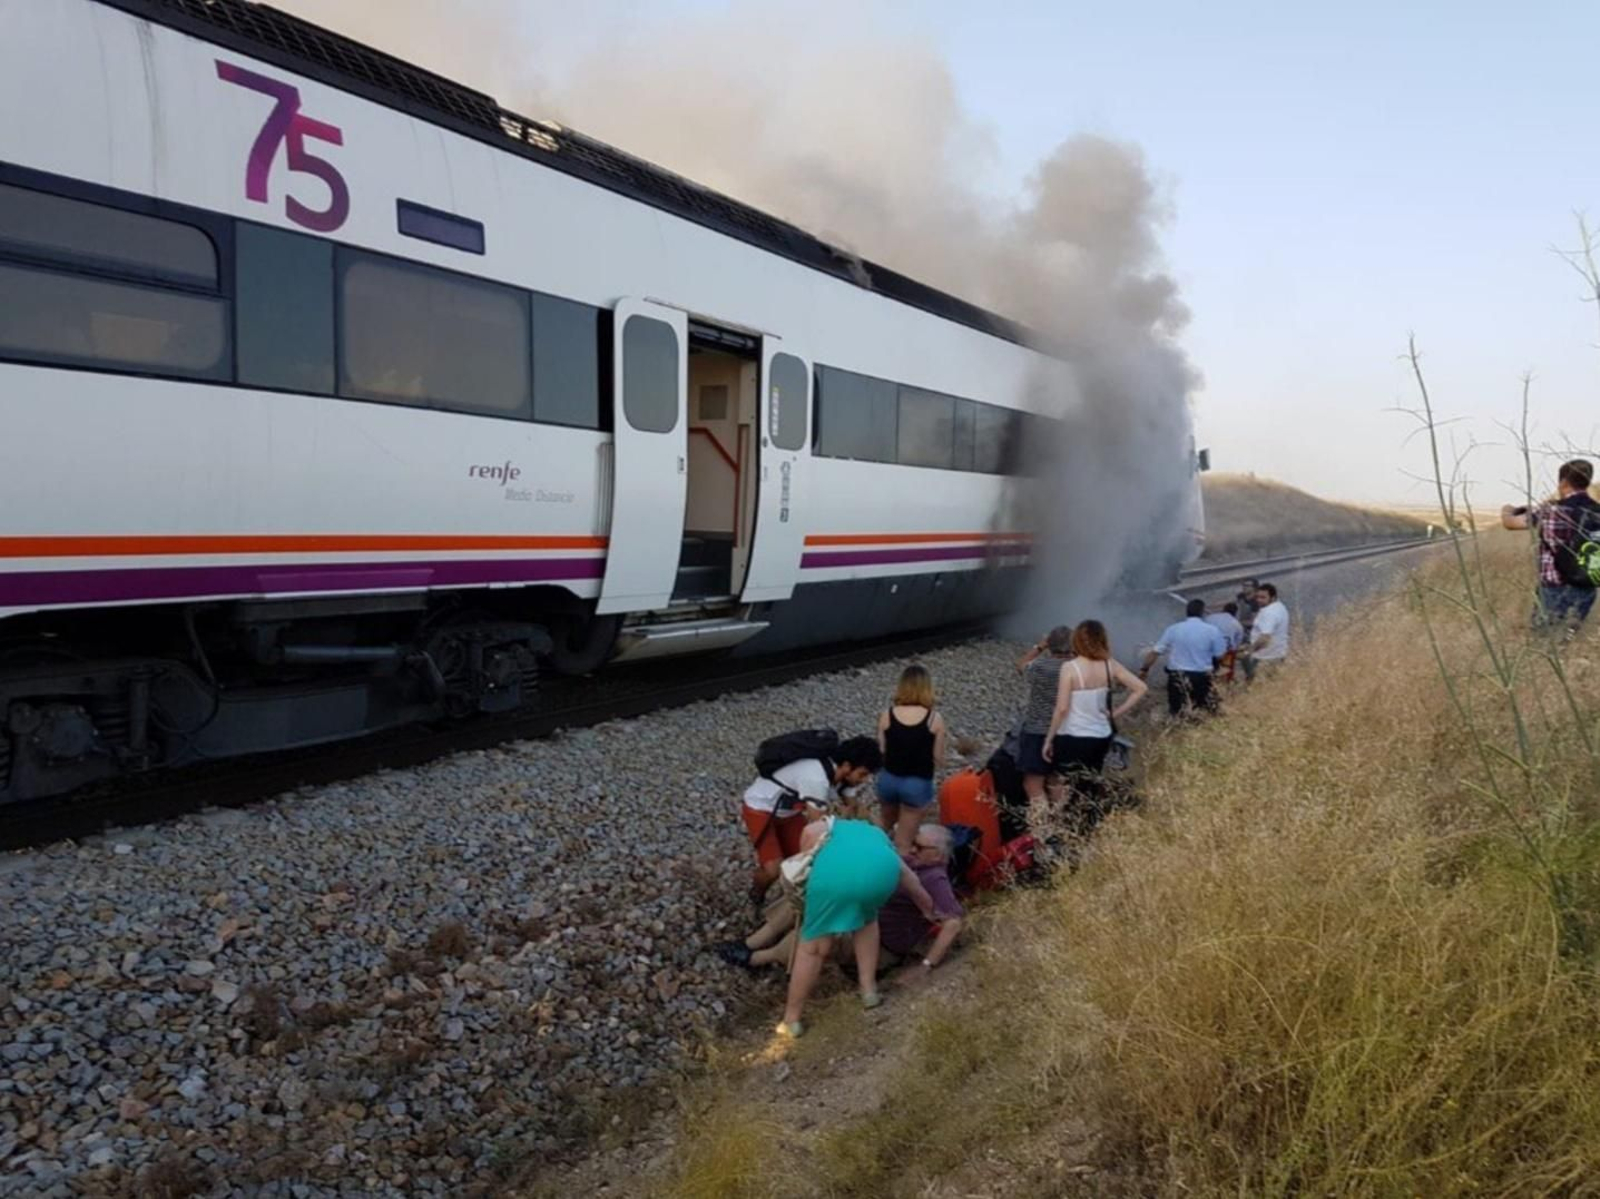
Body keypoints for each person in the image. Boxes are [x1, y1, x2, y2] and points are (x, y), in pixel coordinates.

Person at [777, 811, 937, 1038]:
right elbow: (908, 877)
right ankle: (869, 990)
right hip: (880, 877)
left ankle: (791, 1020)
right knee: (867, 920)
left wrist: (806, 856)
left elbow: (809, 835)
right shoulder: (876, 836)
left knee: (813, 949)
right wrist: (928, 908)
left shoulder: (829, 826)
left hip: (833, 880)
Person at [741, 735, 882, 906]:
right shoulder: (816, 779)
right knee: (773, 869)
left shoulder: (844, 777)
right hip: (760, 808)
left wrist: (876, 834)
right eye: (863, 774)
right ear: (846, 766)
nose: (865, 780)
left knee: (804, 860)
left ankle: (795, 898)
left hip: (788, 813)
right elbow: (819, 827)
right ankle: (756, 896)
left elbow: (856, 808)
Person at [1044, 621, 1148, 827]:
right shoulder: (1110, 664)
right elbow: (1141, 688)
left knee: (1062, 781)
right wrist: (1114, 713)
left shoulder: (1070, 668)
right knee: (1090, 779)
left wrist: (1049, 739)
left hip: (1072, 735)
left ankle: (1067, 824)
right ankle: (1090, 822)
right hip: (1101, 734)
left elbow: (1062, 708)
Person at [1500, 458, 1600, 633]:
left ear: (1563, 482)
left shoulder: (1553, 512)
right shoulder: (1596, 511)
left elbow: (1511, 523)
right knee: (1569, 640)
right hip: (1587, 587)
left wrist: (1507, 510)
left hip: (1555, 589)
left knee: (1545, 643)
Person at [876, 665, 949, 853]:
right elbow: (938, 758)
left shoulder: (887, 715)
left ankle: (871, 860)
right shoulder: (935, 719)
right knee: (903, 842)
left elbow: (882, 749)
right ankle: (897, 877)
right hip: (916, 784)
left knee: (883, 828)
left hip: (888, 780)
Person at [877, 825, 966, 974]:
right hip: (868, 931)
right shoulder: (915, 864)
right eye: (913, 844)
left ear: (938, 855)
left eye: (919, 847)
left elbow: (953, 923)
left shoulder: (935, 879)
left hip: (881, 947)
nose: (913, 850)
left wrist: (926, 965)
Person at [1015, 626, 1074, 811]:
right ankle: (1062, 825)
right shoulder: (1077, 669)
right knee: (1057, 780)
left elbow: (1021, 664)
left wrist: (1039, 647)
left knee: (1033, 785)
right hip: (1066, 731)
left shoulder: (1040, 666)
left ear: (1050, 645)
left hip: (1037, 731)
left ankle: (1043, 832)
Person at [1141, 599, 1227, 716]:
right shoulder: (1213, 630)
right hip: (1201, 677)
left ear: (1186, 612)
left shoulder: (1173, 629)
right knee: (1202, 709)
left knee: (1177, 711)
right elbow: (1220, 655)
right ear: (1202, 613)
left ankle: (1178, 730)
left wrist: (1144, 669)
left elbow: (1155, 652)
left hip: (1177, 676)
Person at [1243, 582, 1290, 680]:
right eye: (1258, 597)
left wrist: (1249, 651)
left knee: (1257, 685)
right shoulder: (1279, 606)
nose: (1259, 600)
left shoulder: (1269, 613)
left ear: (1273, 598)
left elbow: (1265, 638)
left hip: (1265, 657)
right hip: (1277, 653)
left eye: (1263, 597)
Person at [1206, 601, 1247, 683]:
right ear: (1235, 613)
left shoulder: (1210, 618)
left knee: (1209, 672)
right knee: (1226, 672)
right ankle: (1225, 685)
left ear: (1223, 610)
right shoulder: (1236, 624)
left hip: (1210, 651)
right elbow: (1237, 642)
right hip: (1227, 653)